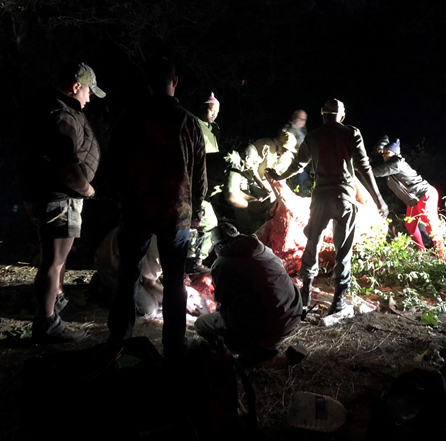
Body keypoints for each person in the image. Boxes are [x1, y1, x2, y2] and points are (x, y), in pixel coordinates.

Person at [106, 57, 207, 360]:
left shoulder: (130, 117)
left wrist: (123, 199)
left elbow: (113, 165)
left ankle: (119, 340)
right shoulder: (188, 122)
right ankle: (174, 346)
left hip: (137, 211)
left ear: (148, 84)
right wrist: (197, 212)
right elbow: (200, 173)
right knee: (174, 279)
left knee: (128, 275)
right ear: (174, 82)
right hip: (176, 214)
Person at [267, 98, 389, 314]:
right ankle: (338, 301)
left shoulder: (314, 136)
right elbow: (364, 167)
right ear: (341, 117)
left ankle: (305, 298)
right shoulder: (351, 133)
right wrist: (379, 199)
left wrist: (279, 175)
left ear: (323, 116)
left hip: (321, 199)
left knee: (312, 244)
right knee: (344, 249)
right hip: (344, 198)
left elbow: (297, 165)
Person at [20, 61, 105, 343]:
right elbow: (65, 166)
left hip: (60, 197)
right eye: (89, 91)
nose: (90, 97)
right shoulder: (61, 115)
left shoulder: (59, 109)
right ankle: (47, 323)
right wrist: (87, 189)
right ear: (75, 86)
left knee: (57, 259)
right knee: (54, 261)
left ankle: (53, 306)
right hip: (61, 198)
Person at [194, 223, 302, 365]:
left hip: (266, 325)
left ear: (219, 247)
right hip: (292, 316)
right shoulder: (265, 250)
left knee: (201, 324)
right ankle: (267, 346)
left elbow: (223, 305)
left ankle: (243, 351)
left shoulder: (222, 264)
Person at [372, 139, 444, 257]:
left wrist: (360, 168)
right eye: (383, 152)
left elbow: (377, 171)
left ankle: (441, 256)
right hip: (414, 200)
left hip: (424, 194)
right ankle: (421, 252)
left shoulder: (396, 164)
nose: (384, 155)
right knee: (410, 225)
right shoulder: (390, 165)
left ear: (395, 153)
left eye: (387, 152)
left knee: (430, 225)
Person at [186, 92, 222, 274]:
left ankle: (195, 259)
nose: (214, 114)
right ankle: (195, 261)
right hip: (193, 184)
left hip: (206, 185)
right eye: (211, 110)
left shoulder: (211, 129)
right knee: (204, 223)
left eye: (217, 110)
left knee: (199, 223)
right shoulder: (194, 126)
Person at [253, 129, 298, 197]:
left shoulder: (288, 157)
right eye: (284, 148)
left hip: (268, 183)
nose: (285, 151)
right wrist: (262, 186)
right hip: (251, 180)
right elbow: (252, 167)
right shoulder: (263, 145)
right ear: (278, 143)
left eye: (288, 149)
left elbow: (282, 176)